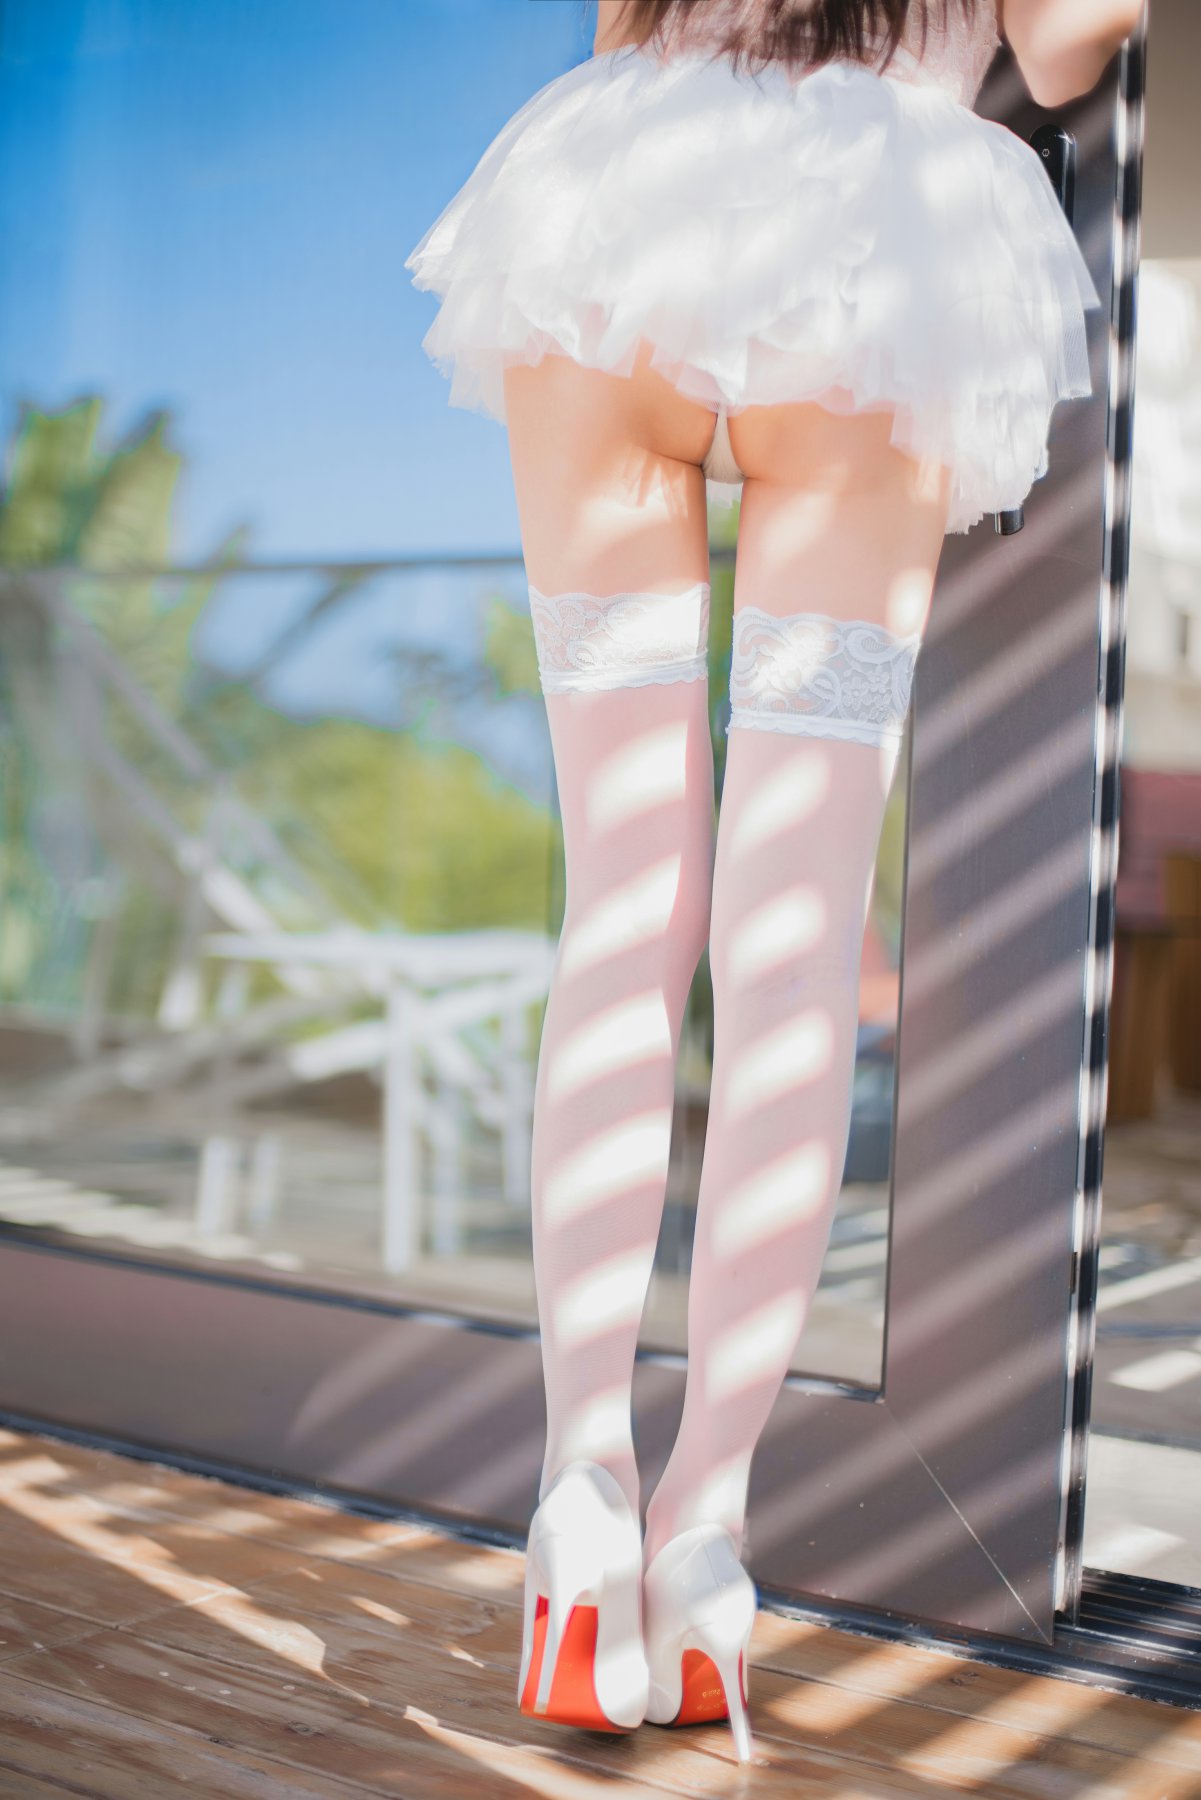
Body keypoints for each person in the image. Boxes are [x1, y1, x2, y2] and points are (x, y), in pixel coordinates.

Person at [405, 0, 1144, 1762]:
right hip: (879, 247)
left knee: (621, 909)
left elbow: (623, 21)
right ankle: (704, 1535)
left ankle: (580, 1488)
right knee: (794, 945)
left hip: (628, 197)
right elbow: (1065, 48)